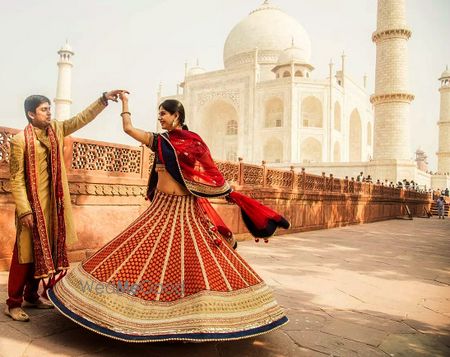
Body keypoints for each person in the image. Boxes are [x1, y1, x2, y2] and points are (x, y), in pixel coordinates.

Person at [49, 95, 290, 342]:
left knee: (195, 264)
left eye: (164, 114)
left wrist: (225, 190)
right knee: (142, 257)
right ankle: (137, 314)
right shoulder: (161, 141)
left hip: (187, 211)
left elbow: (209, 173)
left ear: (177, 116)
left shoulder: (195, 143)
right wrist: (124, 104)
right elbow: (128, 129)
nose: (160, 118)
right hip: (161, 209)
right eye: (159, 114)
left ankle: (195, 319)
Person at [5, 90, 125, 322]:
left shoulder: (56, 130)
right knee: (24, 255)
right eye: (43, 109)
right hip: (32, 208)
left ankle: (32, 295)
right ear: (31, 114)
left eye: (50, 108)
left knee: (45, 252)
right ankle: (13, 303)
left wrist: (102, 100)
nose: (49, 112)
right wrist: (25, 210)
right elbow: (17, 179)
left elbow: (80, 119)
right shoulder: (20, 141)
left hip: (54, 209)